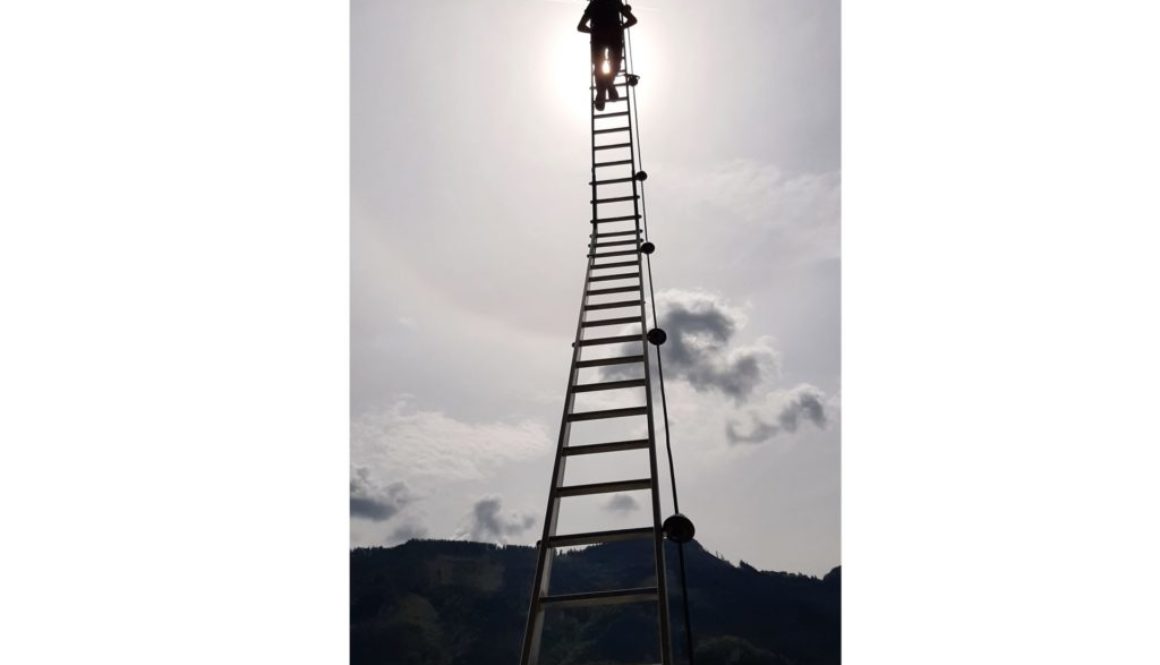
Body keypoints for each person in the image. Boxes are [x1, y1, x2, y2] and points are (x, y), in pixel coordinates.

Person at [577, 0, 638, 111]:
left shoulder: (594, 3)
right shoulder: (615, 2)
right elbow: (633, 20)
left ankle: (603, 89)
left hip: (599, 35)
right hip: (614, 34)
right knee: (614, 63)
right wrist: (621, 27)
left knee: (599, 65)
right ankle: (607, 85)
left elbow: (580, 27)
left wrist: (592, 31)